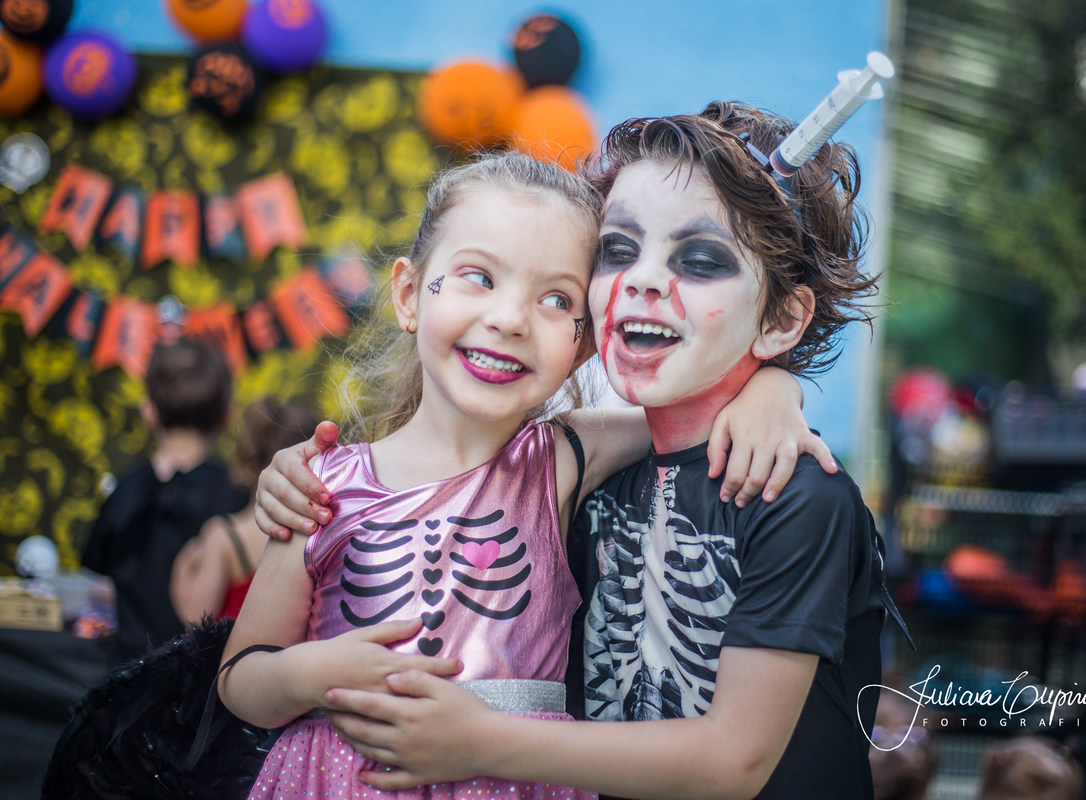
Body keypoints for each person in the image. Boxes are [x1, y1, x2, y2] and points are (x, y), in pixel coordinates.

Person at [257, 103, 895, 800]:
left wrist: (776, 385)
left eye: (700, 259)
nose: (644, 279)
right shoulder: (586, 488)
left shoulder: (793, 494)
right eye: (618, 251)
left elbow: (735, 760)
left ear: (780, 319)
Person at [82, 339, 246, 665]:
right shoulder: (238, 494)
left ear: (149, 412)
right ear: (228, 415)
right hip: (206, 679)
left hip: (125, 675)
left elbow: (98, 578)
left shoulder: (125, 491)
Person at [170, 400, 318, 623]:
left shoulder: (226, 536)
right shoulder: (315, 530)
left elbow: (197, 620)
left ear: (247, 462)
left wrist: (181, 573)